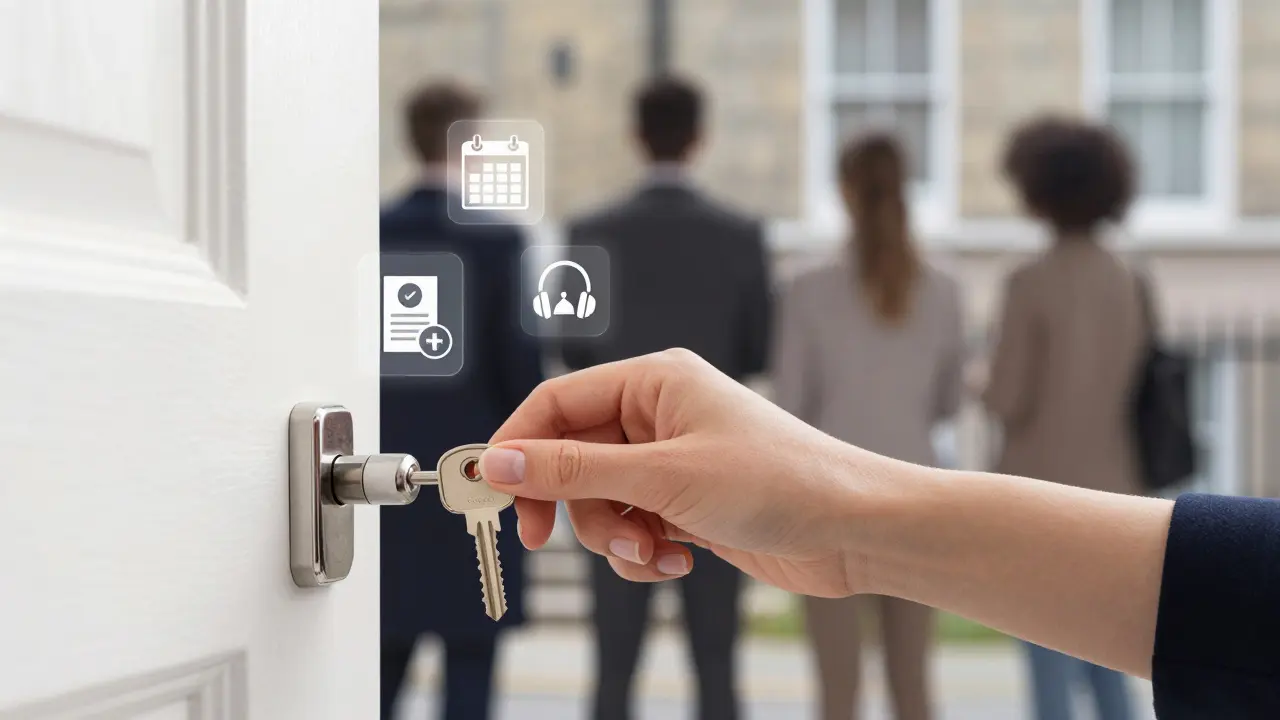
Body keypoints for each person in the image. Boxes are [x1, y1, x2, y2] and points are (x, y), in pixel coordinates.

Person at [474, 349, 1280, 720]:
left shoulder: (823, 288)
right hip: (1076, 486)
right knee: (918, 682)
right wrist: (849, 524)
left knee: (841, 687)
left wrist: (849, 512)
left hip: (908, 479)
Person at [560, 76, 771, 720]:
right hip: (717, 468)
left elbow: (570, 348)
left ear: (636, 136)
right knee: (716, 660)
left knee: (614, 663)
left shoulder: (590, 230)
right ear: (699, 139)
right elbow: (759, 352)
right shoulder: (740, 234)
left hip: (615, 472)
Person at [773, 134, 962, 720]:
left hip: (830, 497)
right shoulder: (944, 293)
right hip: (915, 493)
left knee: (837, 689)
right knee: (912, 682)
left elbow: (789, 405)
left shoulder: (807, 292)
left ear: (844, 192)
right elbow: (947, 404)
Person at [379, 82, 543, 720]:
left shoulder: (367, 233)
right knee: (471, 677)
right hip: (473, 478)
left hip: (384, 482)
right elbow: (520, 377)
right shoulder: (500, 242)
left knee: (375, 676)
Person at [982, 116, 1144, 720]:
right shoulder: (1131, 278)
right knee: (1112, 666)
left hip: (1040, 493)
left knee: (1048, 661)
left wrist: (981, 379)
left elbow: (1007, 399)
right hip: (1120, 491)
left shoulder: (1030, 281)